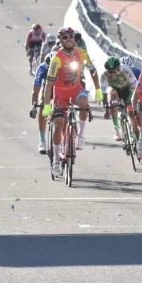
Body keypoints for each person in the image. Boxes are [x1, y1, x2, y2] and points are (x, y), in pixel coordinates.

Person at [42, 27, 102, 178]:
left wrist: (98, 90)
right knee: (59, 124)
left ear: (75, 38)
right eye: (64, 37)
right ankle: (56, 160)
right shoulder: (56, 58)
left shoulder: (82, 53)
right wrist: (47, 105)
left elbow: (93, 71)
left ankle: (80, 135)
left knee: (83, 101)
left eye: (71, 36)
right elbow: (49, 84)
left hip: (75, 89)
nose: (68, 39)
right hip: (60, 94)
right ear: (60, 41)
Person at [101, 56, 140, 142]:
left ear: (119, 68)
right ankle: (116, 128)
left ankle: (138, 141)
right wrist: (107, 110)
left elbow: (135, 88)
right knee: (113, 100)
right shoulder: (104, 76)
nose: (113, 74)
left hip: (127, 90)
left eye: (115, 70)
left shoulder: (126, 70)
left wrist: (135, 103)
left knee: (131, 114)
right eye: (110, 72)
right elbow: (104, 96)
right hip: (115, 90)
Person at [31, 53, 52, 154]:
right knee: (42, 104)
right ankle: (42, 140)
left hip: (60, 88)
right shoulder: (42, 68)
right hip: (47, 89)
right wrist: (34, 106)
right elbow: (35, 90)